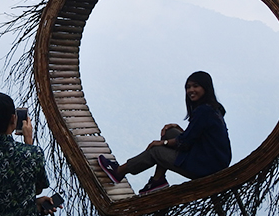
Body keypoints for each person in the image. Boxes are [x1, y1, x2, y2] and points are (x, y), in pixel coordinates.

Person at [98, 71, 231, 195]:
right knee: (170, 132)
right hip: (212, 159)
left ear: (205, 88)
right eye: (188, 87)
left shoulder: (204, 111)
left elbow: (184, 142)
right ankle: (158, 180)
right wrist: (175, 132)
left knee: (156, 151)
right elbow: (196, 135)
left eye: (195, 86)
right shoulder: (214, 108)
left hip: (206, 166)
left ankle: (119, 172)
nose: (191, 90)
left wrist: (162, 143)